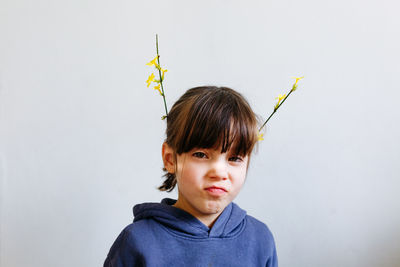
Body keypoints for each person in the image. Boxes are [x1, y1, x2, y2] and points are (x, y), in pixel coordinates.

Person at [104, 86, 278, 267]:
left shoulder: (260, 239)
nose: (219, 172)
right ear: (170, 159)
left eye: (234, 158)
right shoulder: (137, 242)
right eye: (201, 155)